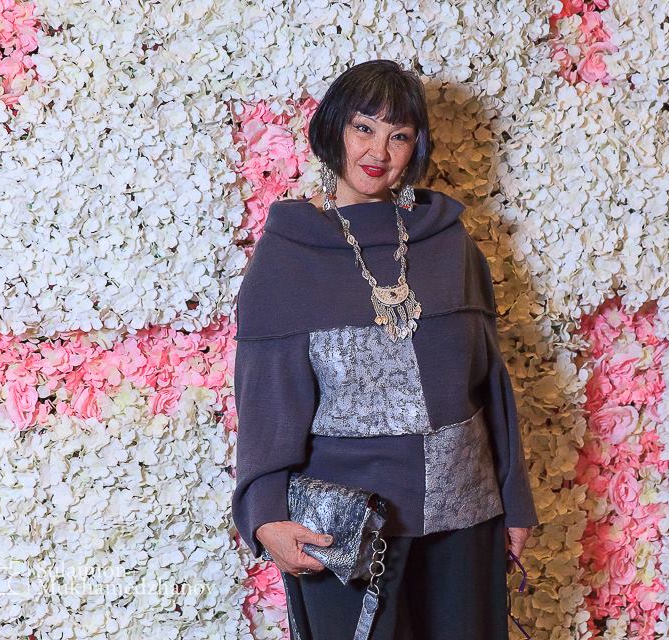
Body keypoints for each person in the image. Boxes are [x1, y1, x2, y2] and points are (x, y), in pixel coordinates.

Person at [231, 59, 539, 639]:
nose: (379, 151)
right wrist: (265, 512)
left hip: (464, 514)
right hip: (343, 527)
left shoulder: (449, 243)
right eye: (363, 128)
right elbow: (266, 400)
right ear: (333, 131)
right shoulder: (290, 254)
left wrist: (514, 502)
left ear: (415, 147)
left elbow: (490, 384)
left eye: (399, 135)